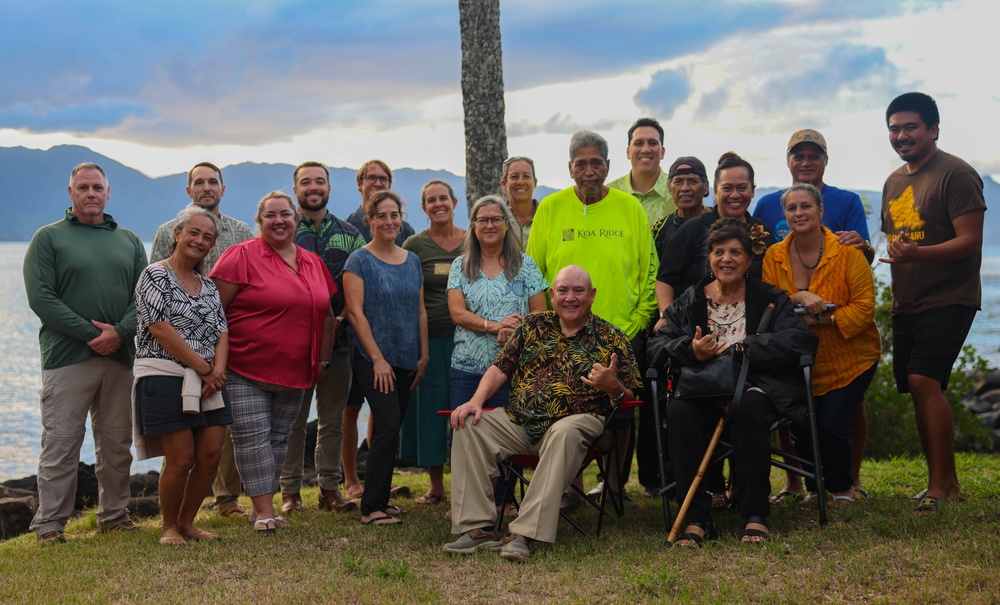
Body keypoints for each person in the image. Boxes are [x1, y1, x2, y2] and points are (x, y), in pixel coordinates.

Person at [444, 266, 640, 560]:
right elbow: (500, 368)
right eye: (563, 291)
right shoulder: (533, 326)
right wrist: (475, 401)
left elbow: (630, 396)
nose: (570, 298)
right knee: (469, 423)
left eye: (578, 291)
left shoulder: (612, 338)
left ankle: (523, 533)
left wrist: (613, 387)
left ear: (592, 295)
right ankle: (477, 529)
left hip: (578, 421)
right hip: (521, 421)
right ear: (552, 295)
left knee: (565, 431)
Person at [648, 219, 817, 545]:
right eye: (719, 252)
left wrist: (748, 347)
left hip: (755, 386)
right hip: (702, 388)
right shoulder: (690, 299)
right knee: (680, 413)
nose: (726, 259)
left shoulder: (769, 297)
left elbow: (801, 341)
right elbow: (657, 345)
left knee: (750, 406)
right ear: (709, 258)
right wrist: (690, 349)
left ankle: (755, 514)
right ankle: (696, 519)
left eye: (735, 252)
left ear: (749, 260)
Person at [526, 130, 658, 505]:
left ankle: (615, 488)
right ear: (570, 169)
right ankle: (570, 488)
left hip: (623, 330)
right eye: (580, 164)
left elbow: (650, 271)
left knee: (621, 408)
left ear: (608, 166)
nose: (588, 170)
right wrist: (545, 325)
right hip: (564, 331)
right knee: (562, 406)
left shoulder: (630, 208)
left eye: (596, 163)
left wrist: (638, 320)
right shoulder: (550, 209)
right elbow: (534, 273)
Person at [24, 162, 147, 545]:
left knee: (116, 443)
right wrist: (91, 334)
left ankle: (114, 515)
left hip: (121, 358)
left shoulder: (128, 240)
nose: (91, 194)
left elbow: (142, 296)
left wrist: (120, 333)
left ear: (108, 193)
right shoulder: (48, 238)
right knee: (62, 443)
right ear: (71, 193)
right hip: (68, 358)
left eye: (97, 187)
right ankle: (49, 526)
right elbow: (42, 298)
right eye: (83, 188)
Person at [752, 131, 875, 500]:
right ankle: (810, 486)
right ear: (782, 213)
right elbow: (770, 299)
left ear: (822, 211)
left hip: (848, 353)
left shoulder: (847, 247)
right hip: (797, 354)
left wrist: (824, 319)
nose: (799, 213)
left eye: (807, 207)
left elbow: (864, 307)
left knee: (834, 420)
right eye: (792, 209)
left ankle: (843, 486)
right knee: (803, 424)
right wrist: (799, 295)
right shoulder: (774, 252)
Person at [879, 92, 986, 513]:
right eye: (894, 128)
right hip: (908, 301)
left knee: (925, 381)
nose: (901, 135)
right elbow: (896, 242)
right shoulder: (893, 182)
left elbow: (971, 241)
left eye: (910, 127)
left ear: (933, 129)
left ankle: (939, 487)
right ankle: (948, 482)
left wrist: (918, 255)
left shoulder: (955, 174)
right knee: (919, 386)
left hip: (949, 296)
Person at [210, 192, 336, 533]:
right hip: (243, 368)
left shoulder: (313, 262)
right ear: (259, 220)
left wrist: (323, 361)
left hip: (297, 371)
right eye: (270, 215)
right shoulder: (239, 256)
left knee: (279, 439)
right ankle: (265, 511)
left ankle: (259, 508)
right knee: (252, 438)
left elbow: (326, 316)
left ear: (296, 220)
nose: (279, 221)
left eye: (285, 215)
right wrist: (213, 365)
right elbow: (212, 312)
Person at [149, 161, 254, 519]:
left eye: (213, 182)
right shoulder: (166, 234)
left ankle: (226, 500)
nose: (206, 187)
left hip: (227, 345)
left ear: (223, 189)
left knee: (221, 434)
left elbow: (245, 291)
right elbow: (155, 314)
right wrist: (205, 368)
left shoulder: (241, 232)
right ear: (189, 190)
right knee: (180, 447)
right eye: (199, 182)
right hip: (174, 358)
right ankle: (173, 518)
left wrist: (215, 369)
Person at [133, 207, 231, 545]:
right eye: (195, 233)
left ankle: (188, 523)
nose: (200, 241)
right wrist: (205, 370)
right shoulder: (155, 275)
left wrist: (217, 372)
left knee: (210, 455)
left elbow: (221, 331)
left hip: (209, 381)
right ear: (177, 233)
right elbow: (159, 328)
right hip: (165, 375)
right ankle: (169, 527)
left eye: (208, 237)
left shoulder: (208, 285)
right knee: (181, 458)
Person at [447, 195, 549, 514]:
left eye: (496, 219)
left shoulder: (526, 265)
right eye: (482, 220)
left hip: (512, 370)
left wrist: (516, 331)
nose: (489, 225)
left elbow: (540, 314)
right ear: (473, 227)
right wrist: (494, 326)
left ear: (507, 225)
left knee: (506, 436)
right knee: (464, 431)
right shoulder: (460, 266)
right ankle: (468, 502)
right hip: (467, 365)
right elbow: (457, 313)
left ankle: (504, 499)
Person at [279, 162, 365, 515]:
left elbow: (362, 281)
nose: (313, 187)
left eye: (319, 181)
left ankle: (330, 488)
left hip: (341, 343)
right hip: (292, 345)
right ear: (295, 188)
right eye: (305, 182)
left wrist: (342, 318)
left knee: (332, 420)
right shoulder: (283, 231)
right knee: (292, 421)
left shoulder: (351, 234)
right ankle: (290, 493)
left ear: (329, 186)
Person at [343, 190, 429, 525]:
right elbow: (355, 313)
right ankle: (371, 508)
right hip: (372, 359)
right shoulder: (359, 261)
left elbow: (420, 311)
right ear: (370, 220)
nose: (389, 221)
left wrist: (422, 356)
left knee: (391, 429)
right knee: (388, 424)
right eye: (382, 216)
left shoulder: (412, 261)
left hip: (408, 358)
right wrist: (377, 359)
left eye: (394, 215)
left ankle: (379, 498)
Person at [641, 155, 709, 494]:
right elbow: (657, 277)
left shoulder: (716, 224)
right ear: (669, 188)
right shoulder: (659, 229)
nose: (685, 188)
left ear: (706, 187)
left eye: (693, 181)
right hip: (670, 325)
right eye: (679, 182)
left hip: (713, 322)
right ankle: (659, 477)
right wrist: (665, 317)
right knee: (664, 403)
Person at [400, 180, 464, 505]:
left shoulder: (472, 241)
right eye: (431, 200)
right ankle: (436, 486)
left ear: (454, 202)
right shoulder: (414, 245)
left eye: (443, 198)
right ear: (424, 207)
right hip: (430, 341)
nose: (438, 204)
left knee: (468, 409)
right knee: (433, 410)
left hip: (470, 340)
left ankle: (471, 483)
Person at [752, 129, 874, 262]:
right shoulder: (766, 205)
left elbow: (866, 258)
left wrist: (864, 246)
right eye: (798, 157)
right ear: (788, 162)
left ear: (826, 160)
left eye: (814, 157)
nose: (806, 163)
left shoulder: (848, 202)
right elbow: (753, 253)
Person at [608, 117, 678, 227]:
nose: (645, 150)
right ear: (628, 152)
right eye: (639, 143)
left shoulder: (679, 194)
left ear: (662, 152)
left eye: (652, 143)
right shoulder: (609, 194)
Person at [500, 156, 539, 249]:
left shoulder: (547, 217)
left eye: (526, 176)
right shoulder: (497, 219)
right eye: (514, 177)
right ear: (504, 184)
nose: (520, 182)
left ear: (535, 183)